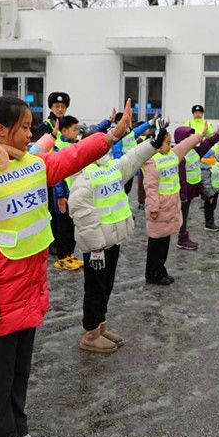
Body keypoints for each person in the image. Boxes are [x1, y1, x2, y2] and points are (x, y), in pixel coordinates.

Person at [0, 96, 132, 437]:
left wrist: (110, 136)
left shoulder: (31, 163)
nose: (30, 133)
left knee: (19, 372)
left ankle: (17, 431)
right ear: (1, 130)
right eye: (23, 127)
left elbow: (70, 157)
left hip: (28, 289)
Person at [68, 119, 168, 352]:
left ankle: (100, 326)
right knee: (94, 288)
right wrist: (96, 247)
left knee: (106, 285)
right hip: (97, 246)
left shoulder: (110, 166)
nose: (108, 146)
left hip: (111, 239)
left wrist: (152, 144)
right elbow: (80, 209)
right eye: (103, 143)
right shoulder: (86, 174)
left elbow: (131, 159)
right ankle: (90, 334)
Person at [50, 113, 114, 271]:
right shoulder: (58, 146)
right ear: (64, 131)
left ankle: (70, 254)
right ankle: (62, 257)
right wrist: (60, 196)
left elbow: (92, 134)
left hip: (73, 193)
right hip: (63, 195)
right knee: (63, 227)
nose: (77, 132)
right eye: (74, 129)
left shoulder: (75, 142)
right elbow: (57, 176)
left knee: (71, 225)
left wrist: (109, 122)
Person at [142, 127, 203, 285]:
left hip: (171, 207)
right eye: (168, 143)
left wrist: (198, 137)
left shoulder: (172, 155)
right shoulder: (152, 161)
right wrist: (154, 208)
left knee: (164, 243)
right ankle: (153, 274)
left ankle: (160, 270)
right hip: (159, 209)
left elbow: (184, 145)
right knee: (156, 245)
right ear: (158, 143)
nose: (170, 146)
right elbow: (150, 187)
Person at [173, 125, 219, 250]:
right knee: (183, 212)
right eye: (189, 136)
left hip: (193, 187)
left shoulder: (193, 150)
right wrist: (183, 195)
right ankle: (182, 238)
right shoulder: (181, 156)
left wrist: (217, 136)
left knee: (185, 212)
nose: (193, 138)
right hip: (185, 191)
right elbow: (181, 177)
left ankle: (182, 236)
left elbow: (205, 145)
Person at [112, 112, 158, 194]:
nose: (128, 123)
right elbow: (116, 153)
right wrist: (121, 167)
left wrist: (152, 121)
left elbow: (141, 128)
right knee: (122, 191)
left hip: (131, 166)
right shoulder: (117, 137)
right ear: (119, 123)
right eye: (126, 121)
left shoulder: (131, 132)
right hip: (123, 168)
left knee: (127, 190)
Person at [200, 146, 219, 232]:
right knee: (209, 207)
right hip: (210, 192)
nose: (214, 156)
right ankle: (209, 224)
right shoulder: (204, 167)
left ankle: (210, 222)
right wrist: (210, 194)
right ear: (207, 156)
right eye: (212, 155)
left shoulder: (212, 162)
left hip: (215, 190)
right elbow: (206, 183)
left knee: (213, 206)